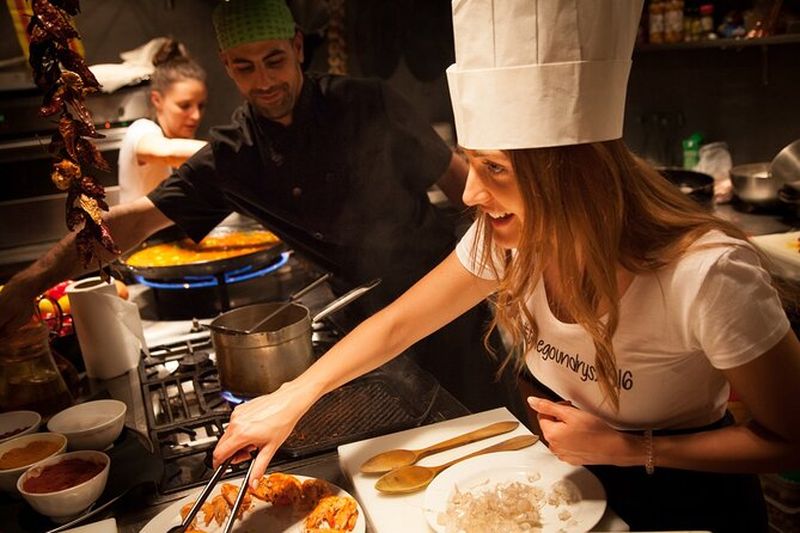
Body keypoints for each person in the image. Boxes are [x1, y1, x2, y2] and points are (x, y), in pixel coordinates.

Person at [211, 1, 800, 532]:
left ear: (571, 176)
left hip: (689, 504)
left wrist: (635, 449)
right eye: (473, 166)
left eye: (494, 170)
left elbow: (790, 439)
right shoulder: (511, 239)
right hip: (572, 494)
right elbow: (397, 325)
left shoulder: (706, 275)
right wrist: (293, 397)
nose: (468, 194)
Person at [0, 0, 517, 415]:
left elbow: (457, 180)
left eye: (274, 60)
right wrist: (28, 284)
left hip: (449, 298)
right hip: (358, 322)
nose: (265, 81)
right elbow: (134, 220)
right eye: (245, 68)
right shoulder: (234, 155)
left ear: (297, 48)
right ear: (227, 67)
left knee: (495, 416)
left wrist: (503, 279)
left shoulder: (367, 103)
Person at [117, 38, 208, 204]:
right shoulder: (142, 129)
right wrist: (227, 150)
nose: (196, 116)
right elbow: (167, 152)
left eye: (201, 106)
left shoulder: (185, 143)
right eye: (184, 106)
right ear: (157, 100)